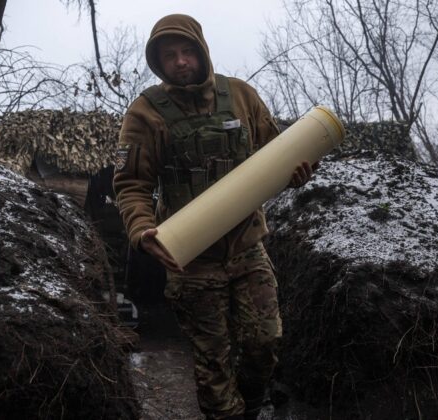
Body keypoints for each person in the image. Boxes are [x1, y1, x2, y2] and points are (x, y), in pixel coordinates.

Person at [113, 14, 316, 420]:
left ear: (202, 52)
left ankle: (251, 406)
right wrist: (141, 228)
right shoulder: (145, 113)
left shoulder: (241, 96)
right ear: (158, 62)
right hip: (190, 259)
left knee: (265, 342)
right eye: (169, 55)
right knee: (212, 363)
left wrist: (297, 172)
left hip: (246, 248)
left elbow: (276, 154)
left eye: (187, 51)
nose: (181, 61)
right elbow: (132, 183)